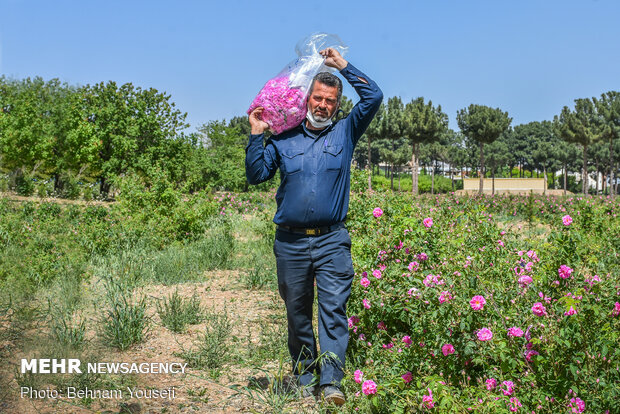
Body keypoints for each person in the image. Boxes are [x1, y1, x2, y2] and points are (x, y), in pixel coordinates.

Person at [245, 47, 382, 405]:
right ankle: (306, 377)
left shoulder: (346, 133)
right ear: (307, 98)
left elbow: (374, 96)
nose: (323, 105)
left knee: (334, 310)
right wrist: (257, 134)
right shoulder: (284, 137)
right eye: (318, 98)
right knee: (297, 312)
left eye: (330, 101)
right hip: (290, 244)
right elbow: (256, 174)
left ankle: (331, 382)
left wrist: (343, 66)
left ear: (338, 106)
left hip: (332, 241)